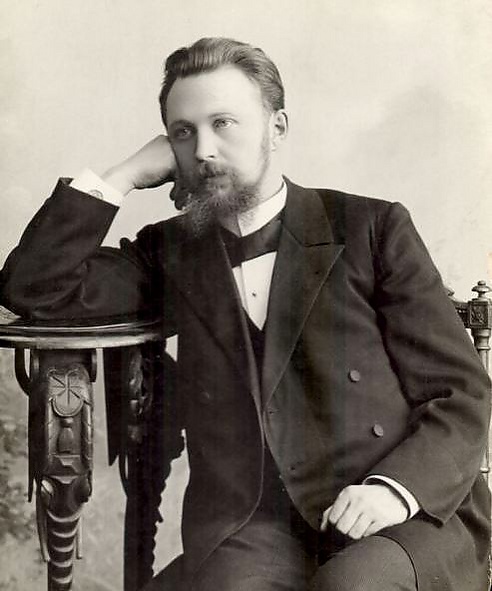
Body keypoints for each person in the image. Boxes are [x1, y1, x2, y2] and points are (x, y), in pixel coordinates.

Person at [0, 37, 490, 591]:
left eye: (223, 123)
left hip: (400, 510)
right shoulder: (173, 251)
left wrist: (393, 491)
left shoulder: (370, 228)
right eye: (183, 132)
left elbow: (459, 392)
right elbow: (33, 287)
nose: (203, 149)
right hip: (256, 524)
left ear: (276, 128)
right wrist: (125, 175)